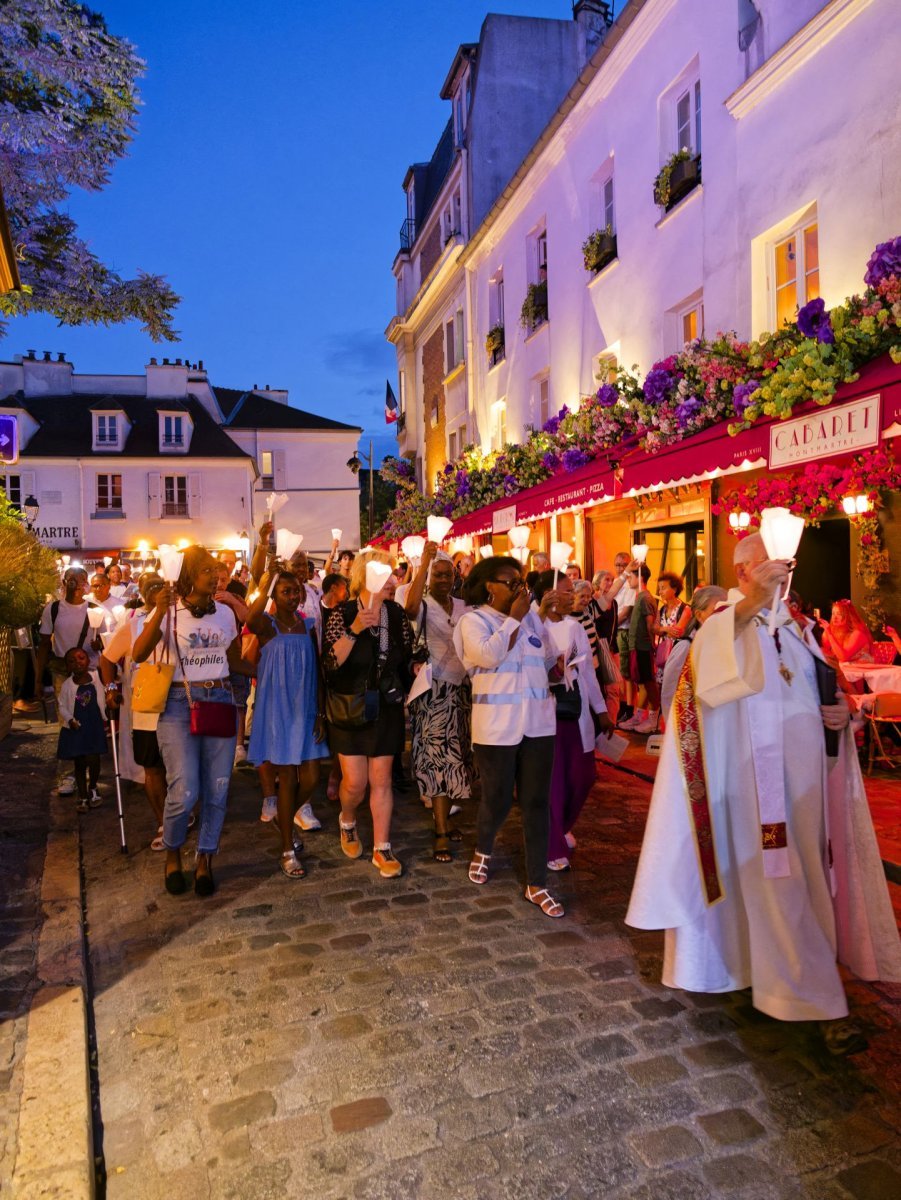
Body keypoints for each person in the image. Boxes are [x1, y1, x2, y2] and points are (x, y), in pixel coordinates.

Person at [626, 533, 901, 1054]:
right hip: (754, 794)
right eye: (769, 566)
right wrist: (751, 602)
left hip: (807, 793)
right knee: (784, 888)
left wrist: (844, 714)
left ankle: (772, 979)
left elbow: (826, 691)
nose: (782, 573)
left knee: (802, 888)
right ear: (745, 571)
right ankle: (821, 1002)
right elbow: (711, 683)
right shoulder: (722, 624)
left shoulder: (796, 632)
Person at [133, 546, 253, 898]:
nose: (214, 573)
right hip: (177, 704)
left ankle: (205, 859)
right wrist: (158, 609)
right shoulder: (169, 612)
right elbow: (139, 654)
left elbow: (233, 662)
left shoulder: (226, 615)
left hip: (219, 700)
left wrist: (268, 667)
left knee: (217, 789)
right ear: (188, 575)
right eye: (205, 569)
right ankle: (172, 851)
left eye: (215, 567)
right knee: (184, 790)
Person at [453, 556, 564, 918]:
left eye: (521, 583)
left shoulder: (531, 618)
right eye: (510, 582)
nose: (520, 589)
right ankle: (484, 848)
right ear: (489, 586)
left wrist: (558, 661)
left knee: (536, 803)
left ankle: (537, 883)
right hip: (496, 728)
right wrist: (516, 617)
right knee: (497, 798)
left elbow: (547, 657)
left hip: (538, 724)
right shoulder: (472, 621)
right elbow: (487, 656)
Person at [322, 550, 413, 878]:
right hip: (350, 707)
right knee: (356, 782)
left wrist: (415, 668)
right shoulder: (342, 613)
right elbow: (330, 664)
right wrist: (356, 628)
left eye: (394, 574)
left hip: (385, 708)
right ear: (366, 575)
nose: (394, 580)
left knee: (381, 779)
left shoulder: (396, 614)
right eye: (387, 574)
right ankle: (347, 820)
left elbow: (405, 658)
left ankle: (382, 847)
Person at [246, 570, 329, 879]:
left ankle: (285, 817)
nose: (293, 596)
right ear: (274, 594)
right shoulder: (267, 625)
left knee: (311, 776)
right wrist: (267, 580)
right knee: (288, 778)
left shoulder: (308, 626)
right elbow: (251, 616)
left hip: (306, 708)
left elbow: (318, 671)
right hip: (278, 710)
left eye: (296, 591)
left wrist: (320, 712)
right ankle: (286, 850)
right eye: (286, 592)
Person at [534, 571, 611, 871]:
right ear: (549, 595)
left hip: (575, 706)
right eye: (566, 592)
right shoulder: (532, 623)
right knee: (552, 781)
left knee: (582, 775)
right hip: (544, 709)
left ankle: (562, 824)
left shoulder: (576, 626)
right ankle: (553, 845)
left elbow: (589, 672)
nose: (573, 596)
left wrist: (600, 709)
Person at [404, 543, 471, 862]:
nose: (443, 579)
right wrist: (424, 564)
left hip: (462, 692)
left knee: (458, 759)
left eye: (448, 574)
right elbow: (409, 607)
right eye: (437, 575)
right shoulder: (425, 605)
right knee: (437, 762)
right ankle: (441, 831)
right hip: (433, 694)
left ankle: (444, 818)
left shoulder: (464, 606)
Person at [100, 573, 170, 850]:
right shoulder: (133, 624)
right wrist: (109, 688)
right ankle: (164, 821)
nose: (155, 589)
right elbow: (107, 659)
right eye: (148, 586)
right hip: (144, 708)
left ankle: (179, 813)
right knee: (152, 768)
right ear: (140, 592)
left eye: (159, 584)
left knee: (177, 767)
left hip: (175, 704)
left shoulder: (178, 618)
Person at [35, 567, 104, 795]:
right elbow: (44, 644)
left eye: (81, 580)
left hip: (90, 673)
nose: (77, 584)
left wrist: (99, 645)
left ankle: (90, 773)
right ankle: (67, 775)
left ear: (86, 584)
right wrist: (38, 679)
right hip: (63, 675)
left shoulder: (95, 610)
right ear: (64, 582)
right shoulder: (53, 610)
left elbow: (105, 642)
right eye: (72, 580)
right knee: (67, 721)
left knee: (91, 721)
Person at [658, 585, 727, 722]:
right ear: (699, 615)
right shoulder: (686, 647)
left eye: (726, 610)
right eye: (716, 611)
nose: (723, 615)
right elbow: (669, 691)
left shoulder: (723, 643)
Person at [57, 647, 107, 813]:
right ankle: (83, 795)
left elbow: (108, 673)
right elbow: (62, 706)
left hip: (93, 726)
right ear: (67, 667)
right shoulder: (67, 686)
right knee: (79, 762)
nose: (77, 662)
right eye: (72, 661)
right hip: (77, 728)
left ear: (88, 660)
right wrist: (70, 719)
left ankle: (93, 787)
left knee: (94, 759)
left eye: (81, 658)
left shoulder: (96, 679)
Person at [622, 562, 660, 733]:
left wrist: (652, 645)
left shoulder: (645, 597)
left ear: (640, 577)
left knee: (648, 682)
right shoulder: (640, 597)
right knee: (642, 683)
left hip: (643, 646)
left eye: (631, 576)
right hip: (636, 645)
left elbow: (650, 625)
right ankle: (639, 717)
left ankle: (654, 718)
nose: (628, 580)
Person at [652, 572, 690, 691]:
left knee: (676, 688)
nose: (660, 592)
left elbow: (677, 632)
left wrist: (661, 630)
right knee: (661, 688)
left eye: (663, 588)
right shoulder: (662, 609)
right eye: (659, 588)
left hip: (678, 655)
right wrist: (666, 629)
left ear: (674, 589)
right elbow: (655, 629)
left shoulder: (685, 609)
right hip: (663, 655)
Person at [819, 600, 875, 664]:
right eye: (833, 613)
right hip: (844, 670)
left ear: (848, 616)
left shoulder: (858, 633)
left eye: (839, 614)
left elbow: (843, 657)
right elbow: (825, 655)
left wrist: (829, 634)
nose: (834, 617)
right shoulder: (832, 631)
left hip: (861, 671)